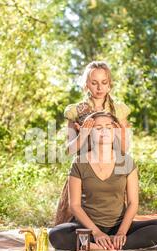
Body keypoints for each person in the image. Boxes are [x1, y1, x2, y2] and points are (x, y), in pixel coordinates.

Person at [49, 112, 157, 251]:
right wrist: (96, 233)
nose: (104, 132)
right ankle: (110, 246)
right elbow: (75, 206)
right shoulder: (79, 163)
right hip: (88, 228)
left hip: (118, 226)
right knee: (56, 235)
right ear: (89, 132)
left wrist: (122, 232)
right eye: (98, 128)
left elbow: (133, 203)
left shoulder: (126, 161)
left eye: (108, 127)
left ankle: (105, 245)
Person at [54, 61, 131, 225]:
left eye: (104, 82)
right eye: (94, 83)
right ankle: (89, 239)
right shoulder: (76, 111)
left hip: (110, 170)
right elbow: (69, 150)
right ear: (86, 84)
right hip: (84, 171)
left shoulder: (118, 110)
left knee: (111, 221)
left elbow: (124, 149)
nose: (99, 88)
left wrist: (118, 132)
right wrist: (83, 134)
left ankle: (112, 237)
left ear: (110, 84)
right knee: (70, 226)